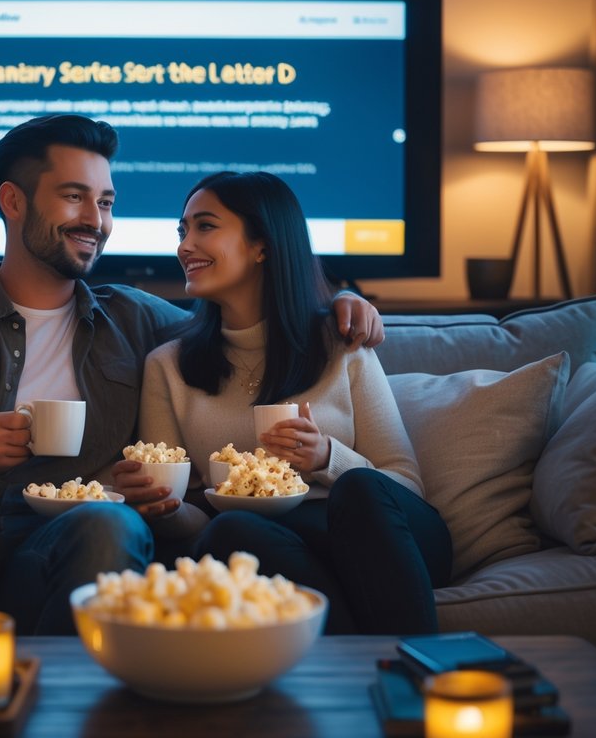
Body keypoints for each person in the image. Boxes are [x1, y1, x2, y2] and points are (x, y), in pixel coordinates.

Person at [0, 114, 386, 637]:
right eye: (74, 197)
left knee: (111, 524)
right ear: (13, 201)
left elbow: (249, 322)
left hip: (67, 538)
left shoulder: (134, 318)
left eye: (105, 202)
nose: (96, 221)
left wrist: (338, 302)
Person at [117, 171, 451, 635]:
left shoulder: (343, 344)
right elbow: (194, 513)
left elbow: (404, 486)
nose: (185, 246)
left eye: (205, 226)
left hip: (380, 539)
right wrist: (165, 508)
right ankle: (374, 659)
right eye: (182, 230)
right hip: (277, 549)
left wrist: (328, 458)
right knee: (228, 531)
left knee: (358, 487)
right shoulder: (167, 366)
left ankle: (415, 661)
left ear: (262, 245)